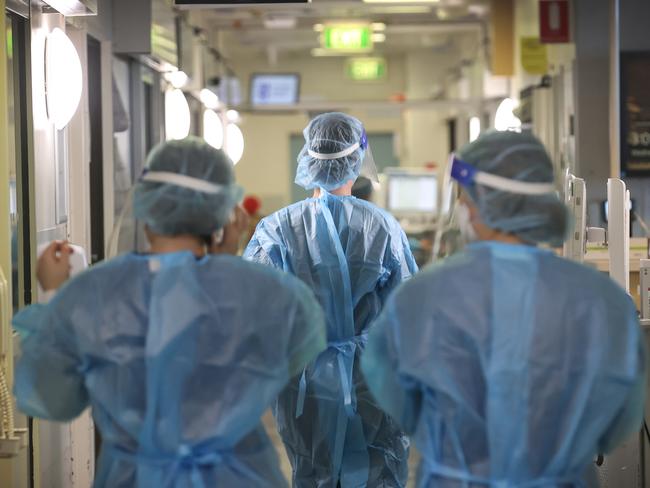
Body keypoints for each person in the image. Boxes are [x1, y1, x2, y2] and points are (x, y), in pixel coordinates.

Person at [13, 138, 327, 488]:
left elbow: (52, 398)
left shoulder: (94, 294)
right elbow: (292, 359)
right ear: (220, 212)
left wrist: (55, 294)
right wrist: (223, 269)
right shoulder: (268, 292)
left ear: (147, 203)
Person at [361, 131, 647, 487]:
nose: (461, 208)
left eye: (463, 197)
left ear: (480, 204)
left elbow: (400, 403)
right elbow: (616, 420)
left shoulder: (419, 297)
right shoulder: (602, 302)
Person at [244, 112, 418, 487]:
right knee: (378, 472)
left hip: (304, 387)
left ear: (307, 158)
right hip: (373, 381)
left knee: (314, 472)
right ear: (356, 161)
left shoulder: (275, 231)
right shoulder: (383, 228)